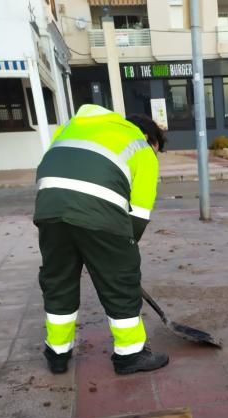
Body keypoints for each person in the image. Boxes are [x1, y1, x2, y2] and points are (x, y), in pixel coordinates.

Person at [33, 104, 169, 376]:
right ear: (150, 139)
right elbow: (138, 216)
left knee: (58, 280)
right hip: (100, 212)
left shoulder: (71, 129)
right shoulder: (140, 147)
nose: (156, 155)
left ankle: (57, 354)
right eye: (158, 150)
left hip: (48, 208)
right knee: (120, 283)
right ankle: (130, 355)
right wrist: (122, 258)